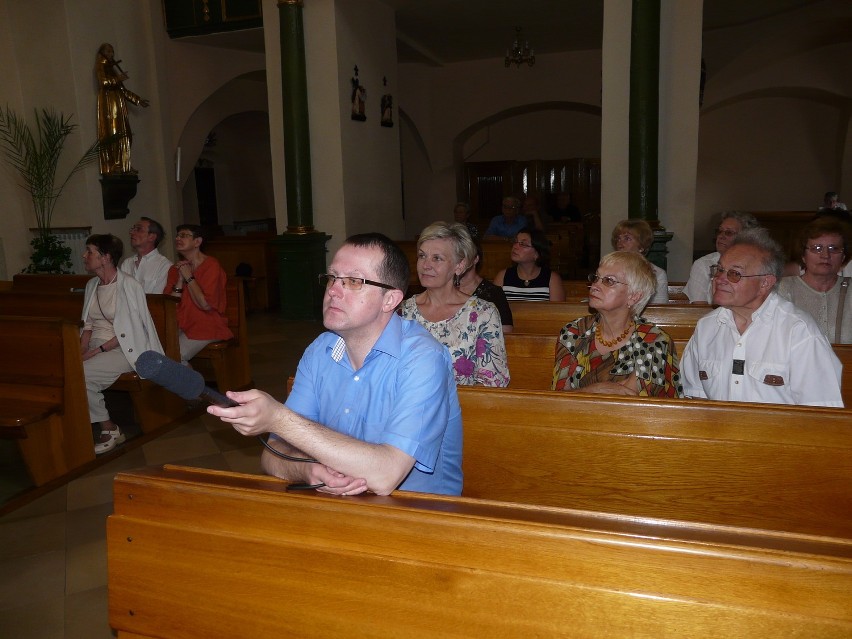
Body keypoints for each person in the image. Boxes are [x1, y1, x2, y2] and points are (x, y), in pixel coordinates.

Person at [209, 233, 463, 496]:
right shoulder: (320, 351)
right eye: (332, 277)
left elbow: (386, 475)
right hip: (339, 509)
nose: (333, 290)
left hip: (419, 517)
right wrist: (307, 470)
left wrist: (278, 418)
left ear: (390, 300)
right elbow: (273, 455)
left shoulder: (423, 358)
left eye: (354, 281)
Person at [681, 229, 843, 406]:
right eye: (719, 270)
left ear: (765, 283)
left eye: (734, 274)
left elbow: (822, 411)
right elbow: (694, 397)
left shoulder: (799, 331)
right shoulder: (707, 327)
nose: (720, 279)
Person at [552, 251, 683, 397]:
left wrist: (577, 393)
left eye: (609, 281)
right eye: (596, 278)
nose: (595, 285)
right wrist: (596, 390)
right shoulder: (573, 332)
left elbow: (635, 402)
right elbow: (558, 397)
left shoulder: (654, 340)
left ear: (634, 296)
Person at [79, 234, 164, 454]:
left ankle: (109, 427)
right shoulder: (91, 285)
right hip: (96, 345)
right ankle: (75, 427)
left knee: (82, 374)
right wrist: (80, 350)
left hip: (124, 348)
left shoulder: (129, 286)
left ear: (106, 257)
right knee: (68, 366)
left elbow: (131, 330)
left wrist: (95, 351)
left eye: (90, 251)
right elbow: (87, 325)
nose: (84, 255)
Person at [400, 222, 510, 387]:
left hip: (464, 409)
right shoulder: (402, 311)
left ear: (459, 266)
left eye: (437, 258)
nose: (425, 265)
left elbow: (492, 380)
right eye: (422, 256)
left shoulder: (483, 313)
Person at [164, 225, 232, 364]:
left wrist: (189, 277)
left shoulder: (211, 265)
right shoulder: (175, 269)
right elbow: (169, 305)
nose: (178, 238)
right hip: (180, 324)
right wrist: (179, 281)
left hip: (206, 325)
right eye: (177, 235)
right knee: (154, 352)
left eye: (183, 235)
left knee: (174, 356)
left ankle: (196, 386)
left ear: (197, 242)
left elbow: (206, 305)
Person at [776, 217, 851, 343]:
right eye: (816, 248)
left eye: (834, 249)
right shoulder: (782, 290)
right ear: (803, 255)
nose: (825, 255)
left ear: (843, 256)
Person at [95, 43, 149, 175]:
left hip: (118, 103)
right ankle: (116, 165)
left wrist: (138, 100)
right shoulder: (101, 65)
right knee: (114, 133)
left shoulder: (111, 69)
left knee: (126, 134)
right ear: (102, 53)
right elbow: (103, 83)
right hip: (109, 103)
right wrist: (118, 78)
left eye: (112, 52)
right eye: (108, 51)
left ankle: (125, 164)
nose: (111, 54)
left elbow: (123, 90)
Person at [683, 211, 760, 303]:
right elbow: (699, 308)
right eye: (720, 231)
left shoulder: (759, 264)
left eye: (729, 232)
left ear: (747, 238)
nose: (721, 236)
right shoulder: (704, 264)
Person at [494, 227, 566, 301]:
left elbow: (557, 311)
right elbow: (494, 309)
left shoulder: (552, 278)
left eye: (523, 244)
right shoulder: (502, 276)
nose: (515, 246)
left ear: (537, 254)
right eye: (515, 242)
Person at [458, 241, 513, 333]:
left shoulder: (494, 292)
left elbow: (506, 332)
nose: (458, 261)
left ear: (476, 259)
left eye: (463, 255)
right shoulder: (444, 289)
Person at [611, 219, 668, 303]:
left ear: (641, 246)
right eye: (618, 239)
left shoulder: (657, 273)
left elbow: (660, 309)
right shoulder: (609, 269)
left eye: (627, 238)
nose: (620, 243)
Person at [120, 217, 171, 293]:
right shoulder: (127, 263)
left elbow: (157, 300)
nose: (132, 233)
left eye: (139, 229)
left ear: (152, 237)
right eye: (133, 229)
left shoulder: (165, 265)